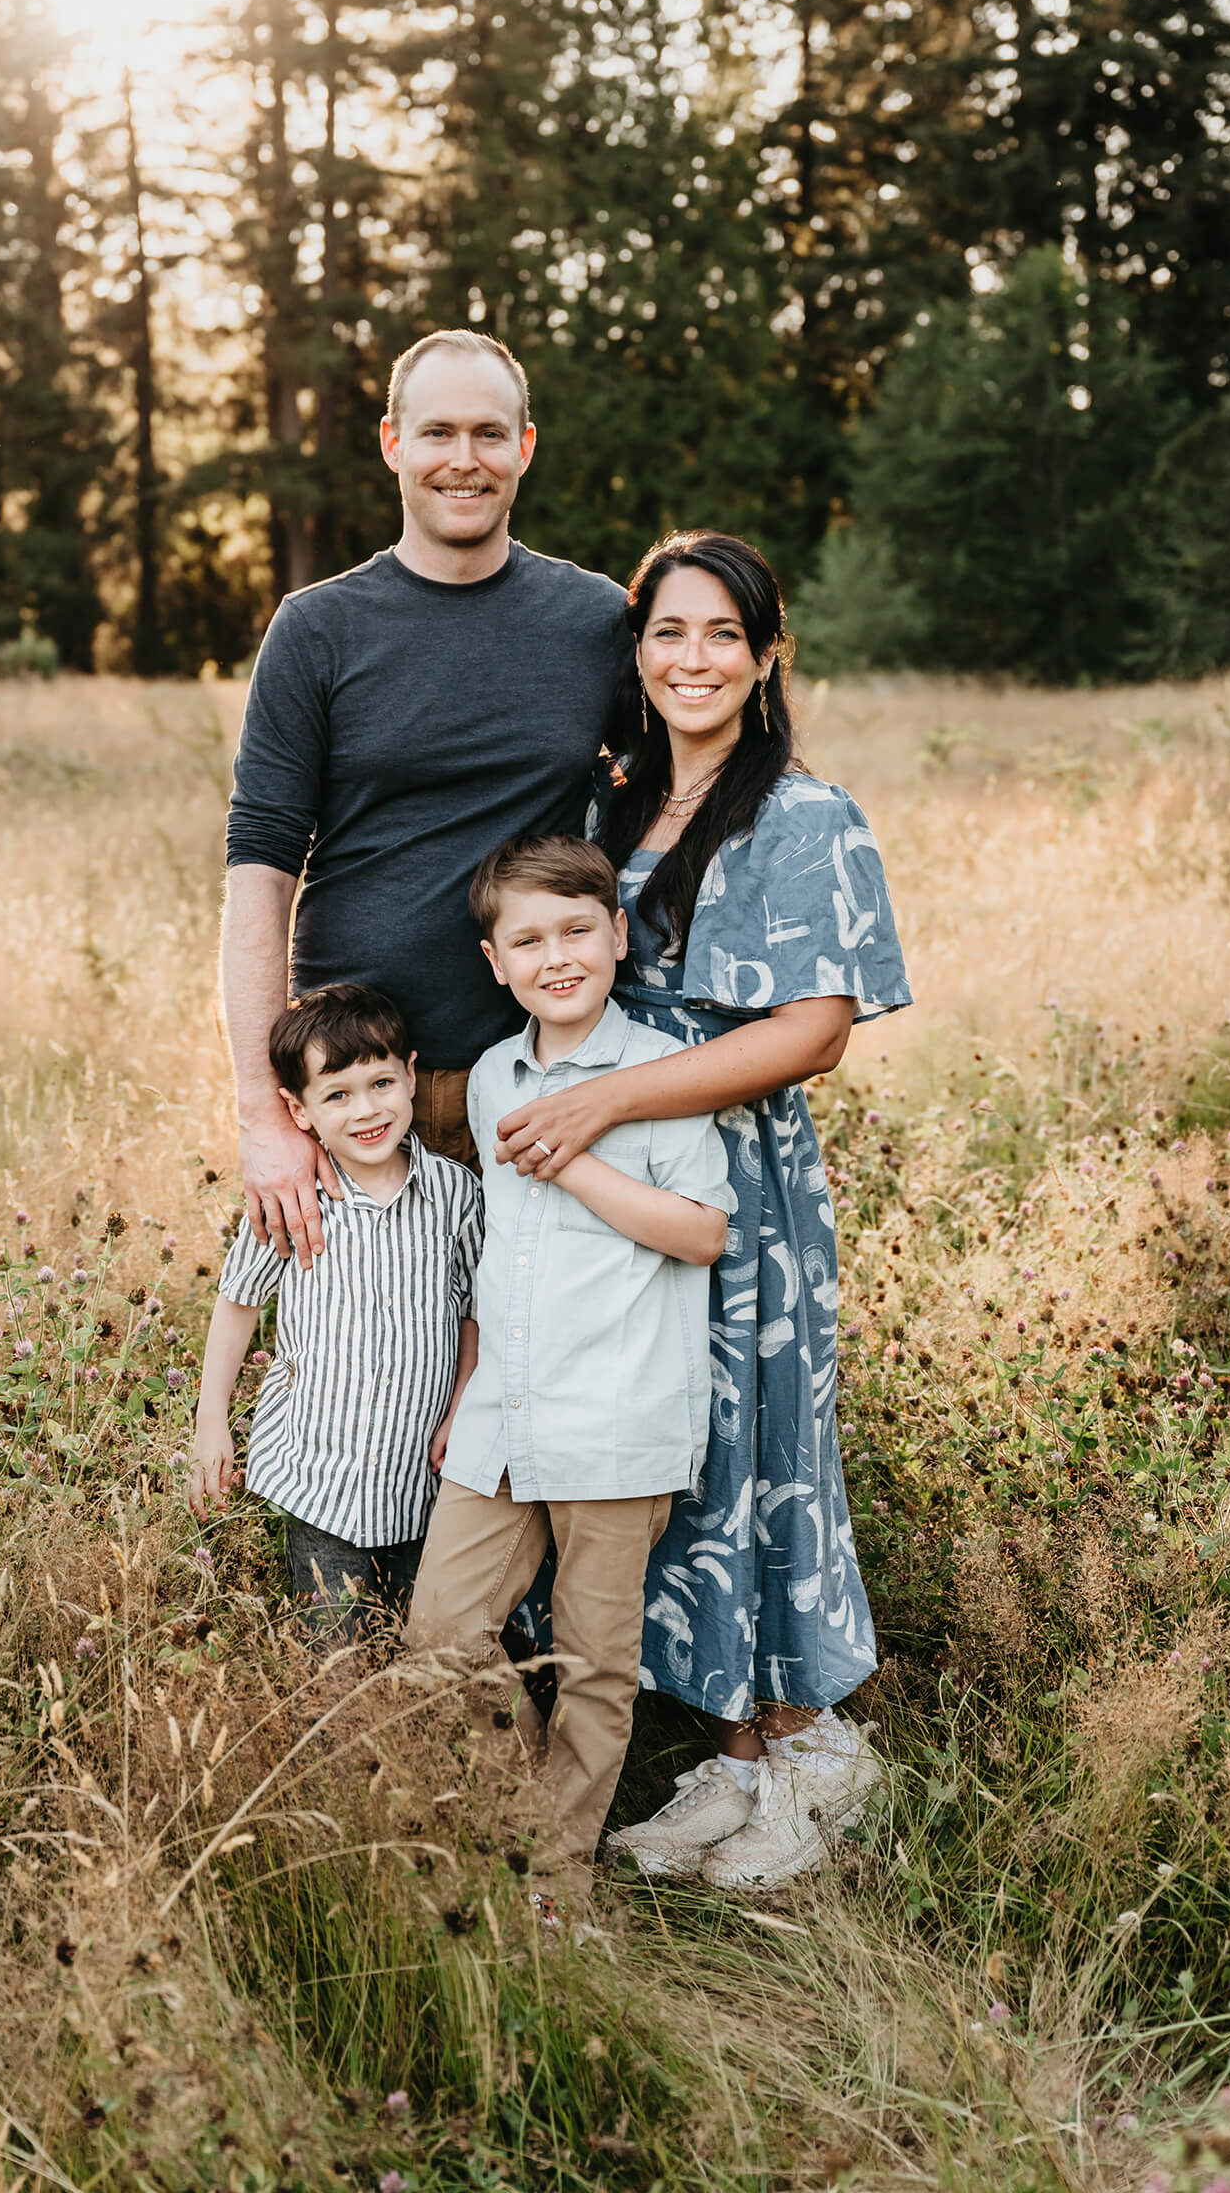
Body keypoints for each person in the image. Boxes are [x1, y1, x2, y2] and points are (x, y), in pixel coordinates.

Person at [490, 531, 912, 1891]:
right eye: (667, 633)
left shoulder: (804, 813)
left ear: (765, 653)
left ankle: (811, 1754)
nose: (692, 659)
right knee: (683, 1460)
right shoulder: (608, 811)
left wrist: (613, 1102)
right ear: (637, 650)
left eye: (722, 634)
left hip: (735, 1178)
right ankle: (729, 1757)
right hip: (620, 1195)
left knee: (766, 1450)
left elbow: (810, 1032)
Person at [220, 330, 627, 1258]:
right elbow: (259, 877)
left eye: (489, 434)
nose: (463, 459)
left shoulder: (597, 620)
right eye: (437, 432)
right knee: (367, 1382)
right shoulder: (315, 630)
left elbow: (675, 789)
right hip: (360, 1085)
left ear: (524, 448)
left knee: (532, 1377)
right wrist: (264, 1113)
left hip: (540, 1076)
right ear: (392, 443)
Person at [405, 835, 731, 1902]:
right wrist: (468, 1387)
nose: (558, 956)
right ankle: (517, 1823)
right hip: (505, 1409)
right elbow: (501, 1253)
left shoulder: (658, 1076)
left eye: (578, 930)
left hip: (619, 1409)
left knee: (595, 1662)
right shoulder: (497, 1069)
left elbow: (701, 1234)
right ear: (495, 961)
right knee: (442, 1636)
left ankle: (555, 1881)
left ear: (617, 935)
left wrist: (580, 1156)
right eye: (529, 939)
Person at [189, 982, 484, 1641]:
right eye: (338, 1095)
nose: (366, 1110)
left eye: (380, 1083)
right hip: (320, 1476)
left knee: (424, 1645)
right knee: (331, 1650)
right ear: (298, 1110)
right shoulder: (293, 1199)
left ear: (410, 1075)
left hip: (421, 1475)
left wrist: (463, 1405)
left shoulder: (454, 1195)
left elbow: (473, 1310)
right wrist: (212, 1421)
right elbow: (238, 1301)